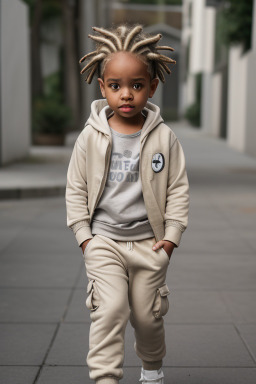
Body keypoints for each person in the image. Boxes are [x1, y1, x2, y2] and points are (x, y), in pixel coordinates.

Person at [66, 24, 189, 384]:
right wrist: (84, 237)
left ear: (152, 86)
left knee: (148, 316)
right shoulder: (90, 137)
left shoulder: (164, 137)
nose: (126, 95)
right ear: (102, 86)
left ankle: (152, 369)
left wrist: (170, 239)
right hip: (103, 241)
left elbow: (178, 188)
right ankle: (105, 378)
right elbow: (75, 187)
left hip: (150, 244)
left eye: (137, 85)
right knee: (110, 310)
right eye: (116, 86)